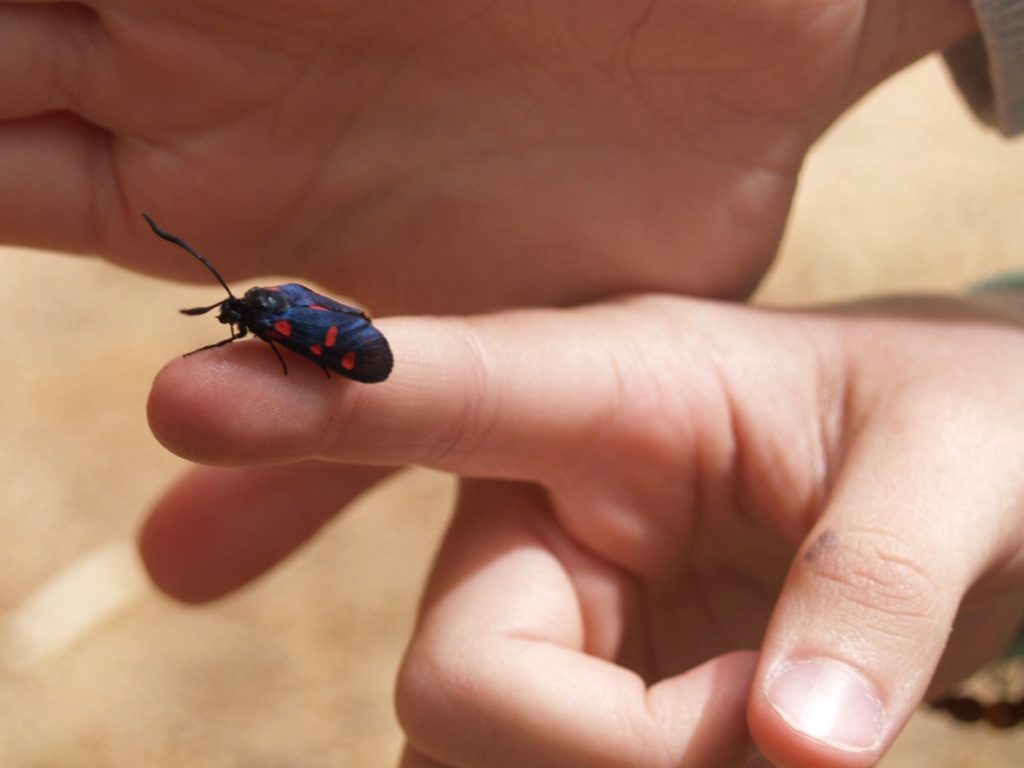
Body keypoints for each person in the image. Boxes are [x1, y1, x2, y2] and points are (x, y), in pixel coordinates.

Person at [2, 1, 1021, 766]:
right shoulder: (271, 318)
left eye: (230, 323)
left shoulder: (272, 320)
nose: (229, 323)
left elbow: (314, 342)